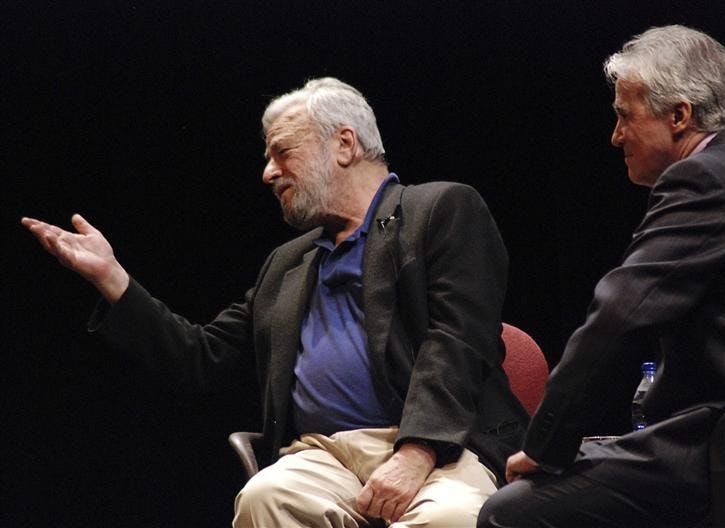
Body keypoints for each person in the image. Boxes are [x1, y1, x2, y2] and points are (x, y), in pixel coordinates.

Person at [22, 77, 529, 527]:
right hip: (322, 456)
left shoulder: (437, 209)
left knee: (450, 519)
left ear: (345, 144)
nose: (268, 172)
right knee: (266, 496)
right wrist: (113, 279)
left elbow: (459, 339)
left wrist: (415, 452)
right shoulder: (288, 263)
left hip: (441, 448)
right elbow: (201, 357)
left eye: (282, 152)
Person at [478, 24, 725, 528]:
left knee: (510, 511)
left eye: (624, 116)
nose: (615, 136)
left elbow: (619, 317)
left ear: (679, 116)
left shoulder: (702, 181)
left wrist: (546, 445)